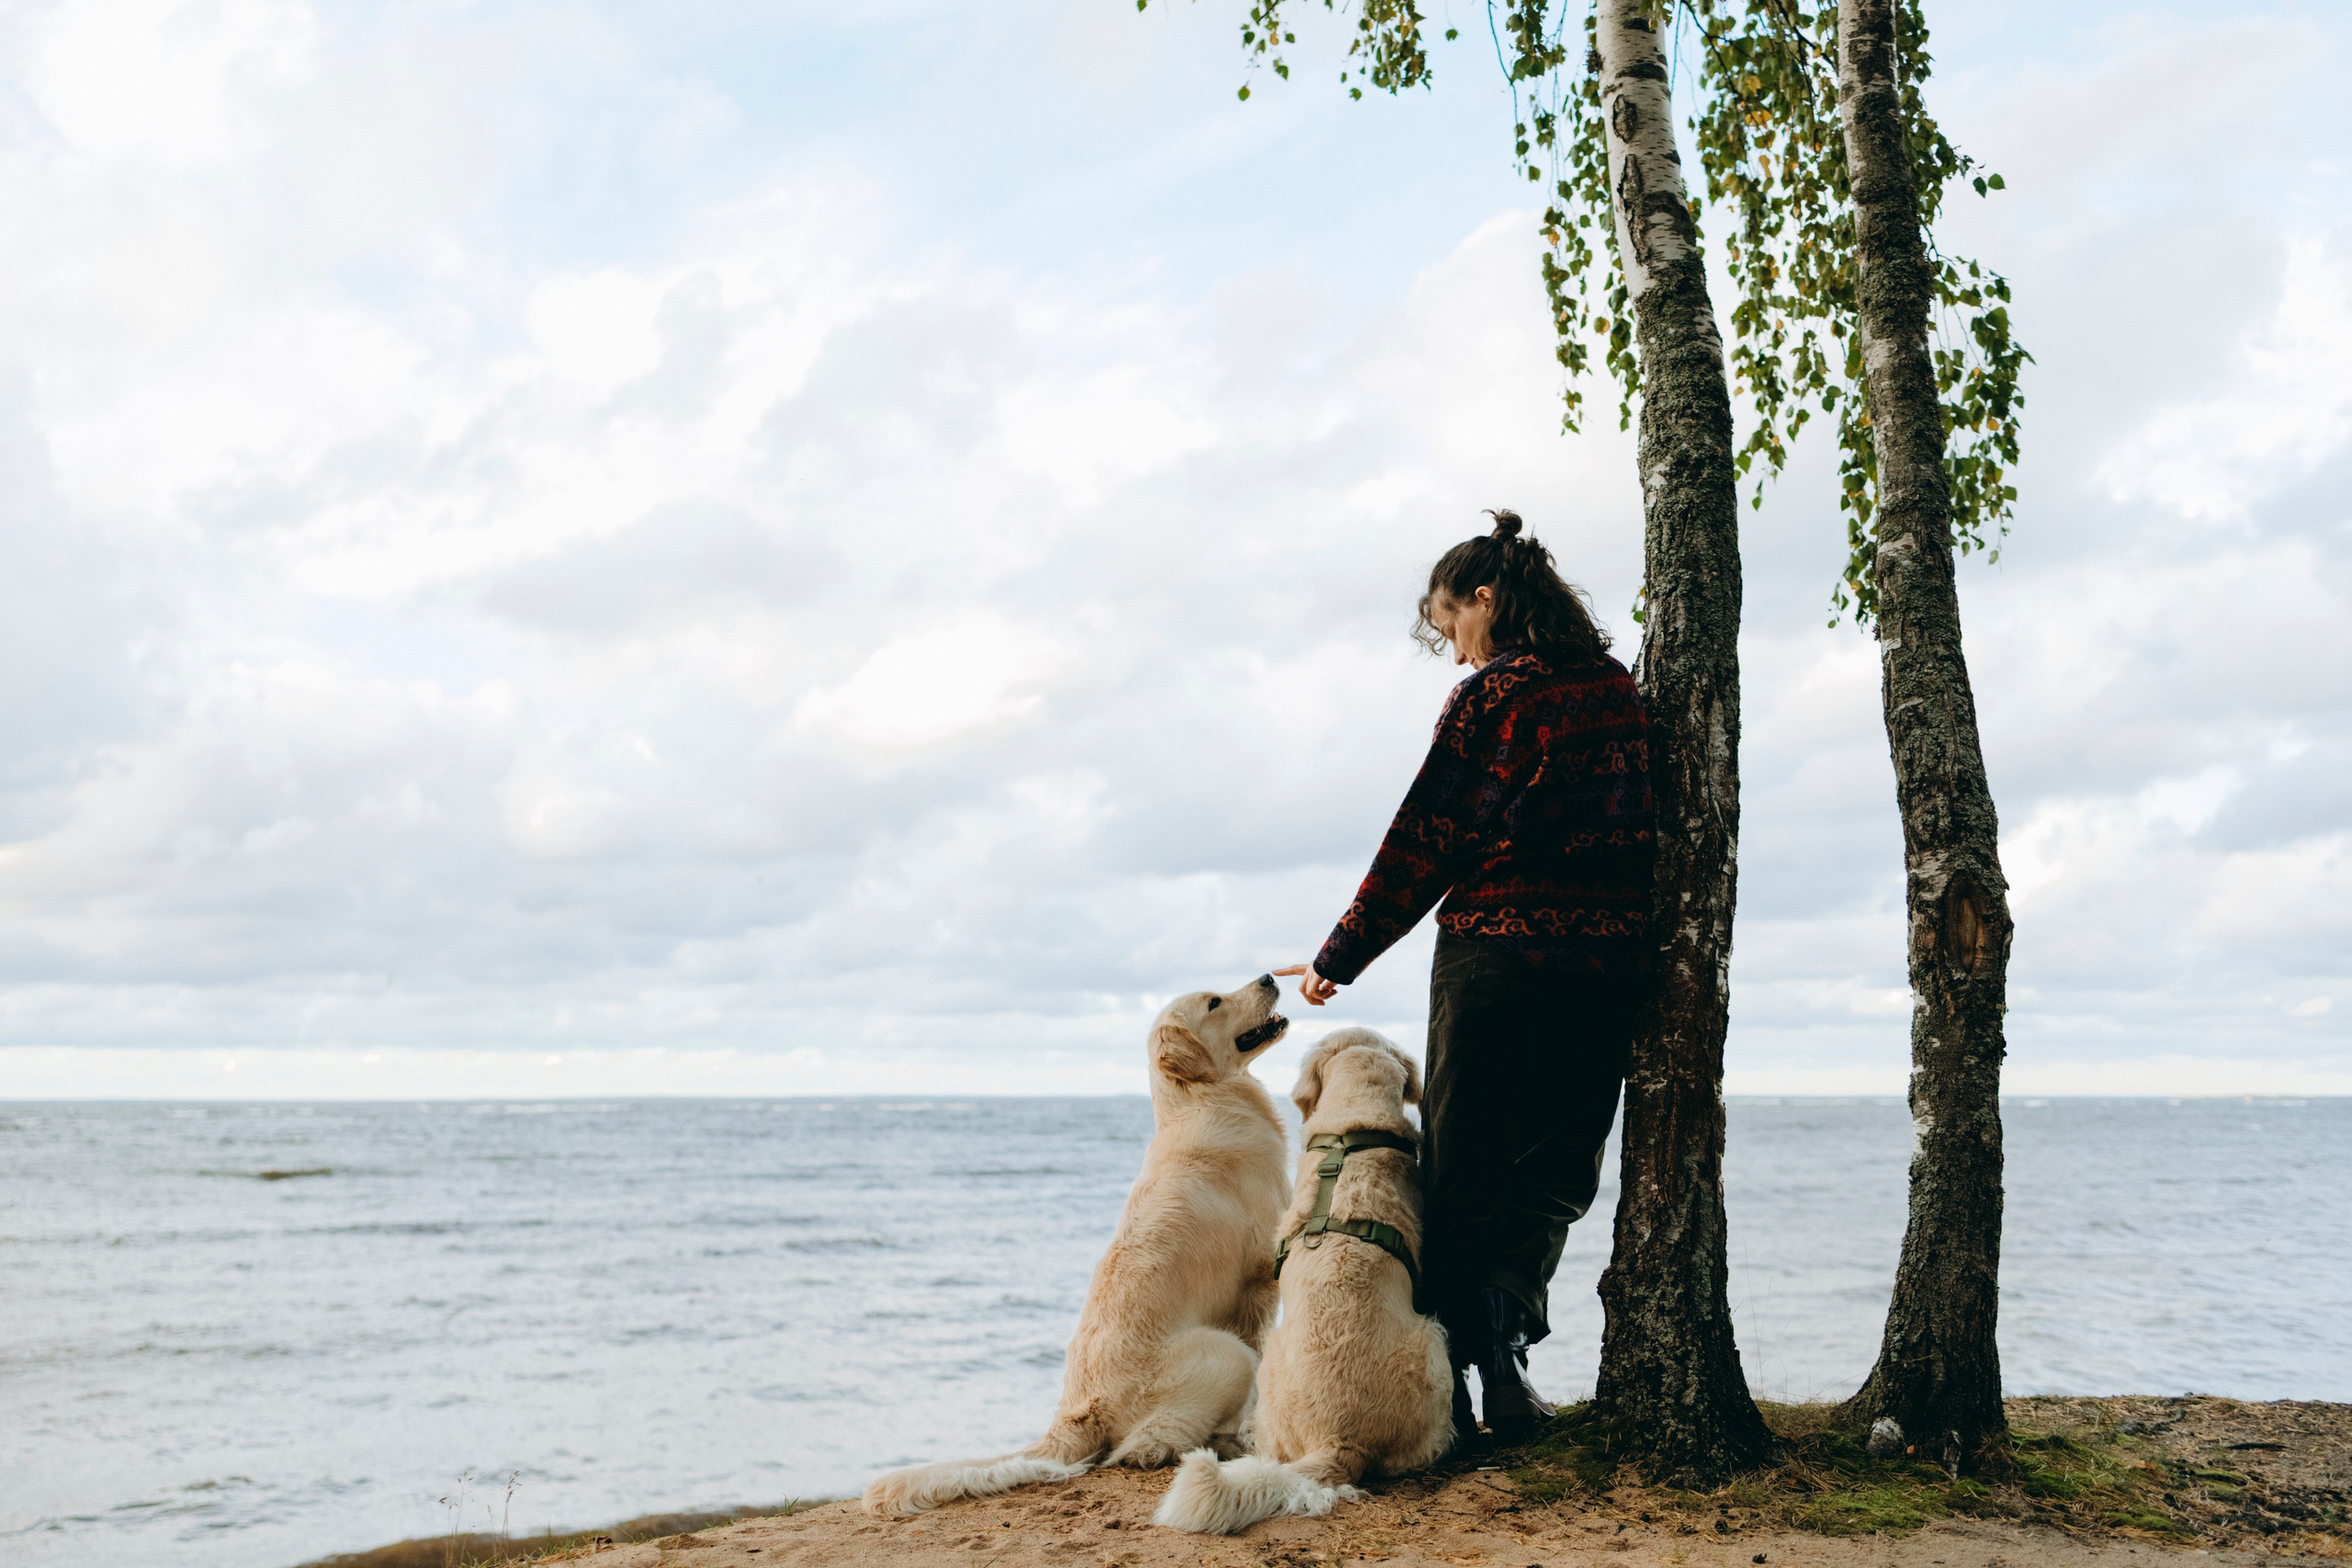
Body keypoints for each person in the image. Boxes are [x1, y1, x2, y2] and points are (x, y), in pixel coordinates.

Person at [1275, 510, 1655, 1446]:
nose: (1453, 654)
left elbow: (1425, 837)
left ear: (1486, 600)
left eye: (1452, 627)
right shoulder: (1616, 691)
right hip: (1602, 967)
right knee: (1559, 1171)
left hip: (1496, 962)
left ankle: (1455, 1382)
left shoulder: (1494, 698)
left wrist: (1339, 957)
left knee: (1465, 1173)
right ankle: (1511, 1362)